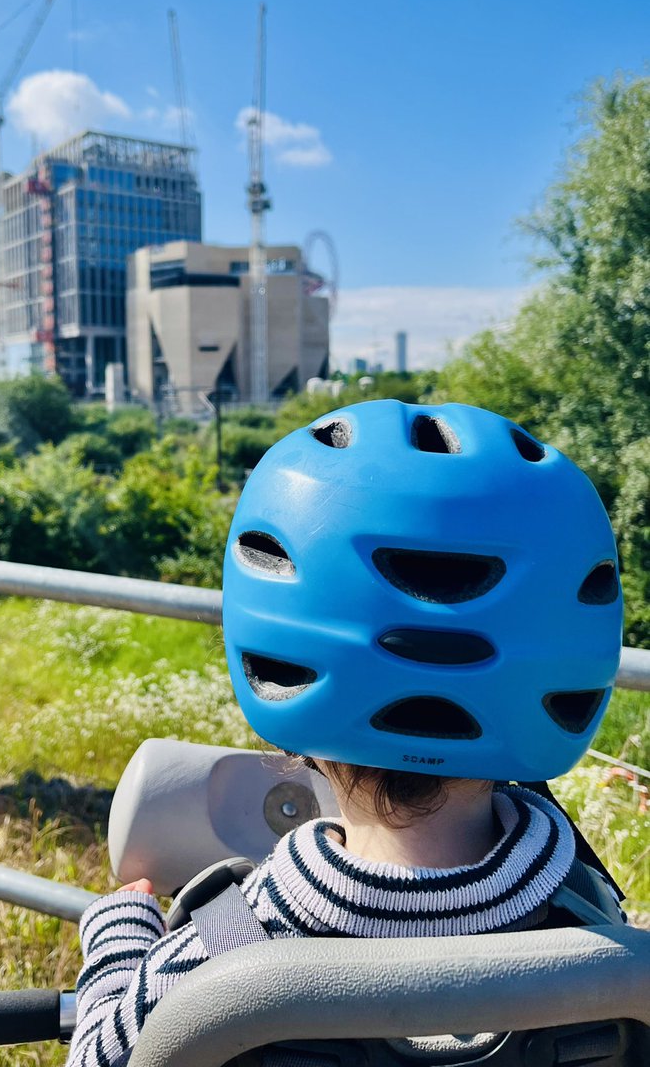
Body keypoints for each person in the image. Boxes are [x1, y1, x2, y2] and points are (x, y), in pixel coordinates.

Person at [67, 400, 625, 1067]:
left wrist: (120, 939)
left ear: (276, 656)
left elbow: (100, 1055)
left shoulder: (218, 958)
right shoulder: (600, 928)